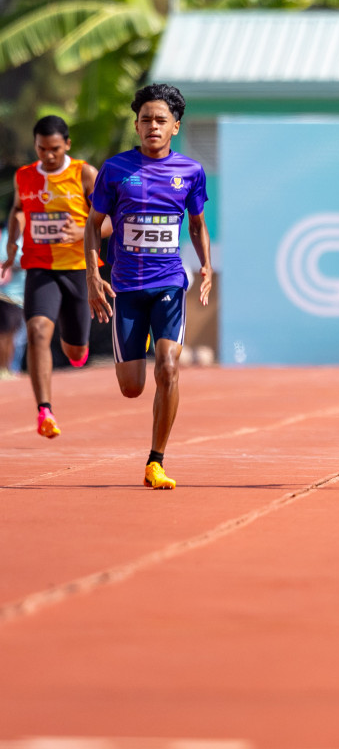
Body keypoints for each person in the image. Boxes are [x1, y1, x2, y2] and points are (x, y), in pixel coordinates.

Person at [84, 84, 212, 490]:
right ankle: (134, 358)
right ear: (136, 125)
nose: (152, 126)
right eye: (145, 120)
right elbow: (92, 226)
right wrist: (92, 275)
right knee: (131, 388)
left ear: (175, 126)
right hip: (125, 288)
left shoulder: (190, 172)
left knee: (169, 368)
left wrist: (205, 265)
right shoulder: (116, 169)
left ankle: (155, 461)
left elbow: (196, 224)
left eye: (160, 120)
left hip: (169, 283)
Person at [2, 116, 102, 438]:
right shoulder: (24, 176)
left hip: (77, 268)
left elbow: (112, 218)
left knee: (75, 352)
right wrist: (13, 240)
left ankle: (76, 343)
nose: (48, 156)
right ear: (35, 145)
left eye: (55, 149)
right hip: (40, 266)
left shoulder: (84, 173)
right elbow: (18, 209)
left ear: (67, 145)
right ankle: (44, 410)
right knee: (36, 331)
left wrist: (83, 228)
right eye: (42, 149)